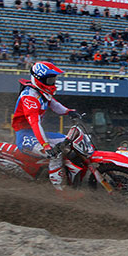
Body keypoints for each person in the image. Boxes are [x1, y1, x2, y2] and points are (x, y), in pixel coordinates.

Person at [11, 62, 79, 190]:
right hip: (25, 135)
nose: (52, 82)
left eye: (53, 79)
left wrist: (69, 111)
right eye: (50, 79)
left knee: (71, 142)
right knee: (55, 154)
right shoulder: (30, 97)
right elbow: (35, 124)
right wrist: (45, 146)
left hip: (35, 134)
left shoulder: (42, 93)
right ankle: (59, 189)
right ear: (39, 79)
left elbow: (54, 104)